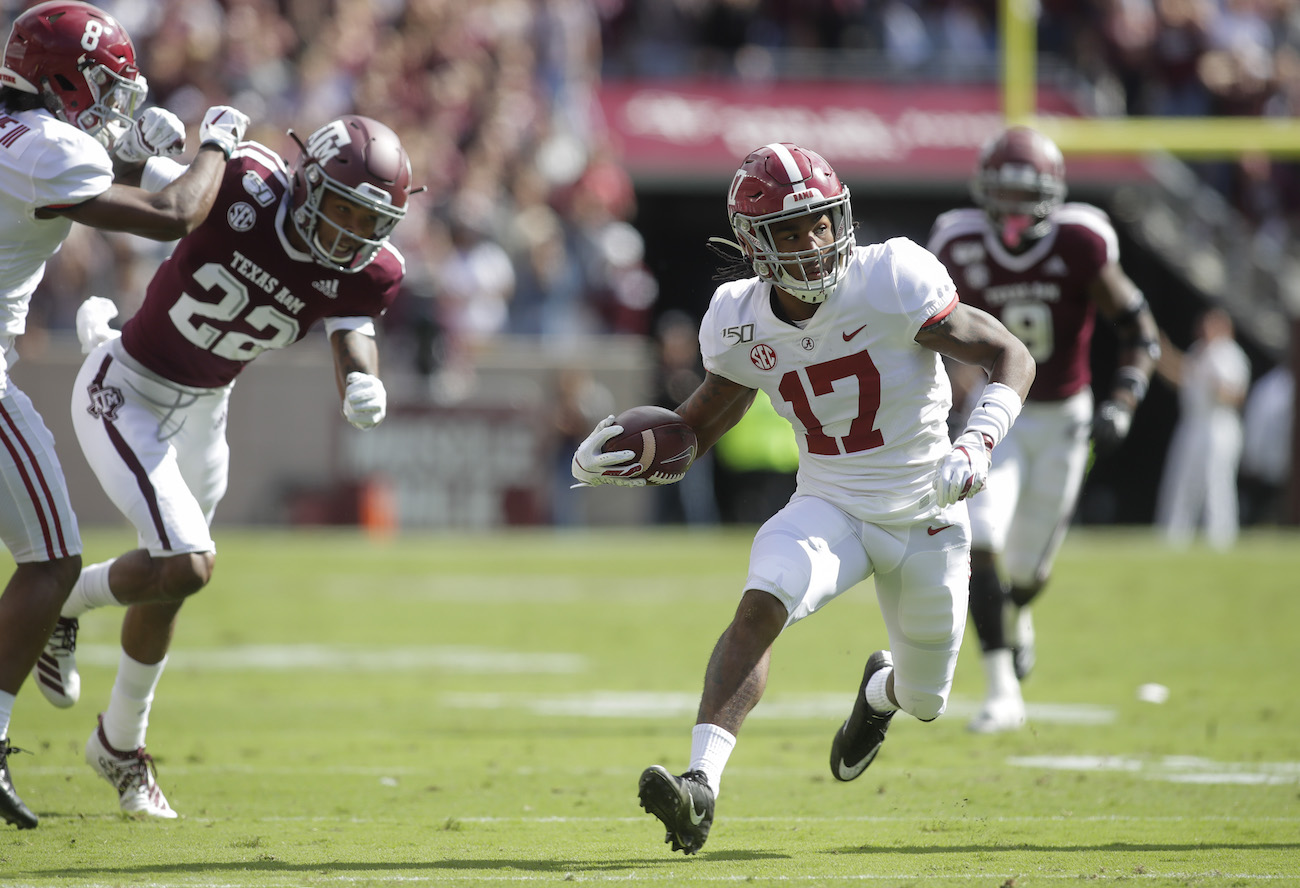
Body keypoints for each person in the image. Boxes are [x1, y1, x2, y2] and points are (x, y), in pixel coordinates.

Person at [571, 142, 1036, 855]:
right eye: (789, 232)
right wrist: (630, 455)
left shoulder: (891, 277)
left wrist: (977, 442)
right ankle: (700, 785)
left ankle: (879, 694)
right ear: (754, 245)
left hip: (928, 511)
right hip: (831, 505)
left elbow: (1010, 353)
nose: (814, 243)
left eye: (820, 223)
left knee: (926, 699)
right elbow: (696, 429)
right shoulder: (737, 318)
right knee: (763, 600)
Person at [31, 113, 417, 819]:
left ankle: (120, 743)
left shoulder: (368, 272)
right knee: (187, 562)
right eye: (342, 210)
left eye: (370, 223)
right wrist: (134, 147)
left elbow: (351, 332)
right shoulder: (245, 183)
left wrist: (362, 379)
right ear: (307, 183)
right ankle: (59, 603)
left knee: (171, 583)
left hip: (208, 411)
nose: (350, 235)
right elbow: (128, 183)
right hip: (127, 388)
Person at [0, 0, 248, 830]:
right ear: (62, 80)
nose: (111, 105)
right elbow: (174, 216)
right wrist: (216, 144)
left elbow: (55, 170)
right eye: (102, 88)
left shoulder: (34, 138)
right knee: (51, 562)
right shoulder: (51, 148)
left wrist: (123, 146)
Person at [925, 125, 1161, 734]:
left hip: (1063, 418)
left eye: (1023, 191)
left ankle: (1019, 612)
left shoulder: (1081, 241)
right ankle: (1001, 688)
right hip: (999, 410)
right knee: (980, 538)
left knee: (1028, 571)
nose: (1010, 206)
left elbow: (1140, 331)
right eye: (1001, 190)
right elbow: (927, 332)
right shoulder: (957, 242)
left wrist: (1123, 402)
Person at [1154, 307, 1250, 548]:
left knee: (1216, 482)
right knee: (1181, 480)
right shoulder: (1199, 350)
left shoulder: (1229, 354)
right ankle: (1174, 535)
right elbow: (1184, 377)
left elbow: (1237, 396)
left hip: (1218, 425)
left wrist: (1216, 386)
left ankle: (1220, 536)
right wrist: (1162, 354)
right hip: (1192, 423)